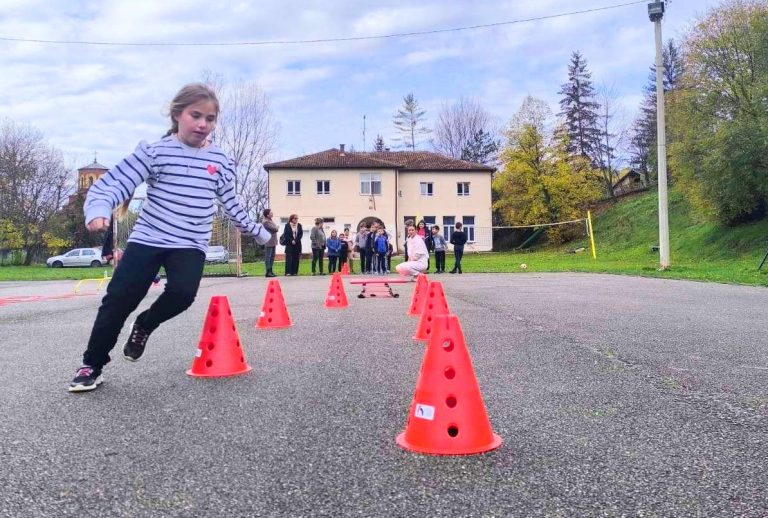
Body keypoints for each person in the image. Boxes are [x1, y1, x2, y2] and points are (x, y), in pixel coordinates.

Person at [68, 83, 272, 393]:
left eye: (210, 118)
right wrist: (98, 208)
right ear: (178, 115)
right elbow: (114, 183)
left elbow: (232, 204)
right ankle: (91, 364)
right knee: (118, 301)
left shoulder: (219, 161)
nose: (203, 124)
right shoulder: (156, 151)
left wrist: (258, 231)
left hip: (190, 243)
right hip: (149, 238)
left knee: (182, 293)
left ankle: (145, 325)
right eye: (196, 116)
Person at [261, 208, 279, 277]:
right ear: (267, 215)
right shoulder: (266, 221)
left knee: (272, 256)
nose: (272, 213)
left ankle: (271, 271)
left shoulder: (270, 220)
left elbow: (275, 228)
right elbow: (275, 228)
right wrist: (276, 227)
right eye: (271, 213)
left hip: (273, 241)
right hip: (269, 241)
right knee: (268, 257)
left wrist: (276, 227)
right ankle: (268, 272)